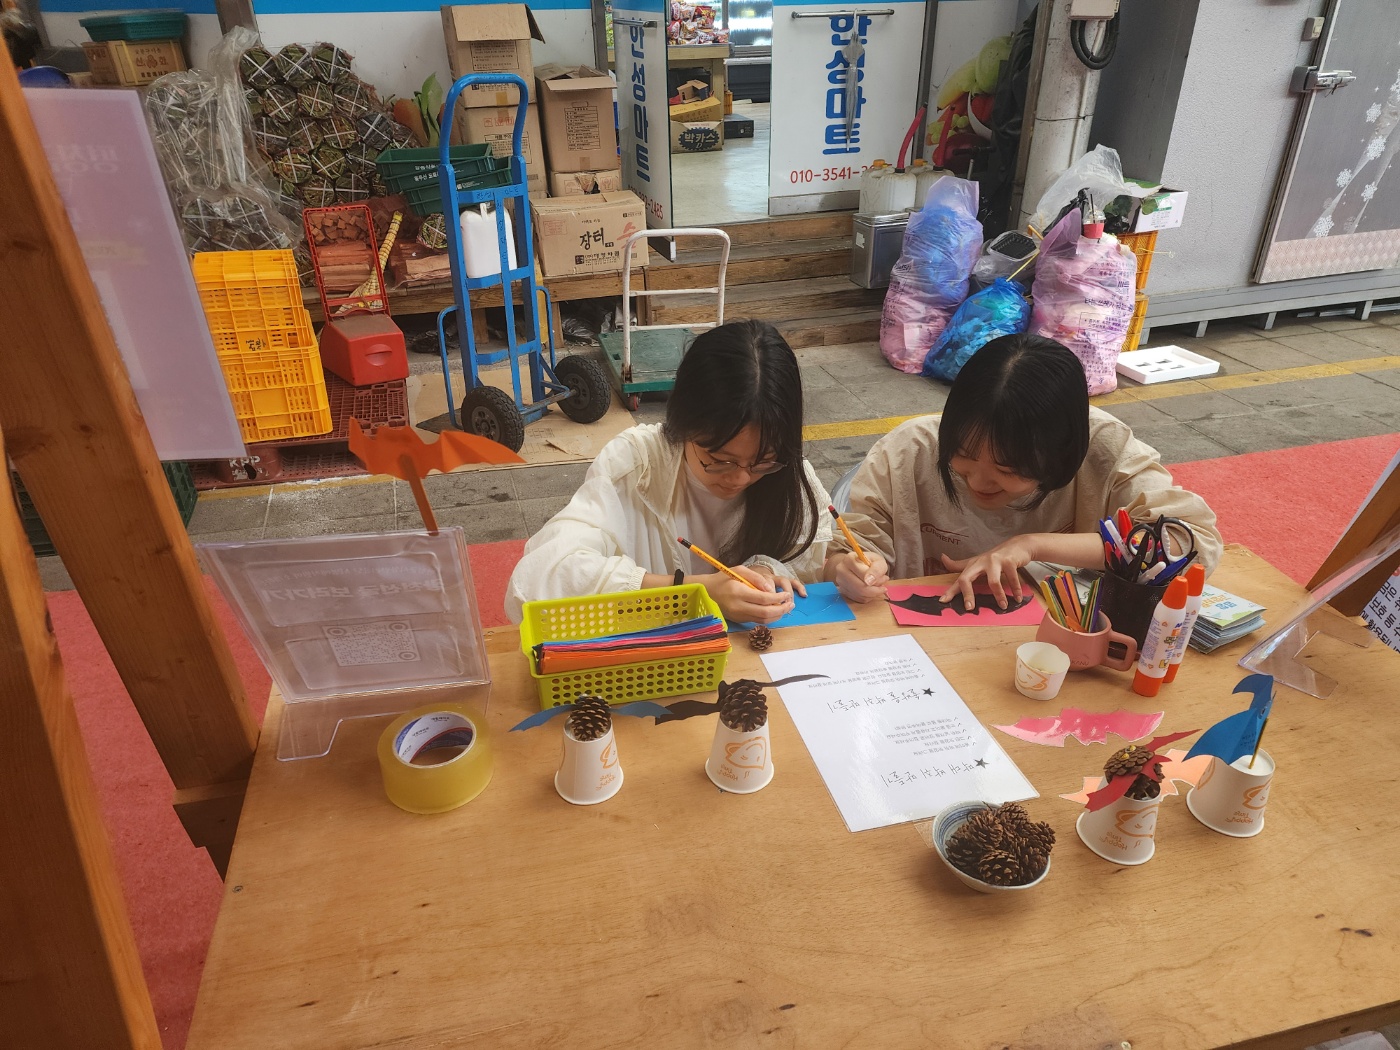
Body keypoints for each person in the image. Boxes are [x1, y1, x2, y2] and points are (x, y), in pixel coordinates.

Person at [825, 332, 1222, 608]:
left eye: (1008, 468)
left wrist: (1031, 546)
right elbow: (840, 551)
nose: (979, 481)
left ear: (1061, 452)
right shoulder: (908, 452)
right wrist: (847, 568)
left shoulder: (1104, 448)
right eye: (962, 456)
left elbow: (1192, 543)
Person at [505, 319, 831, 625]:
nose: (741, 478)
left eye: (761, 462)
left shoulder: (785, 470)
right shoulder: (636, 465)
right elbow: (538, 580)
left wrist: (770, 569)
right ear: (684, 424)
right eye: (720, 460)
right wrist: (693, 591)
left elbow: (810, 556)